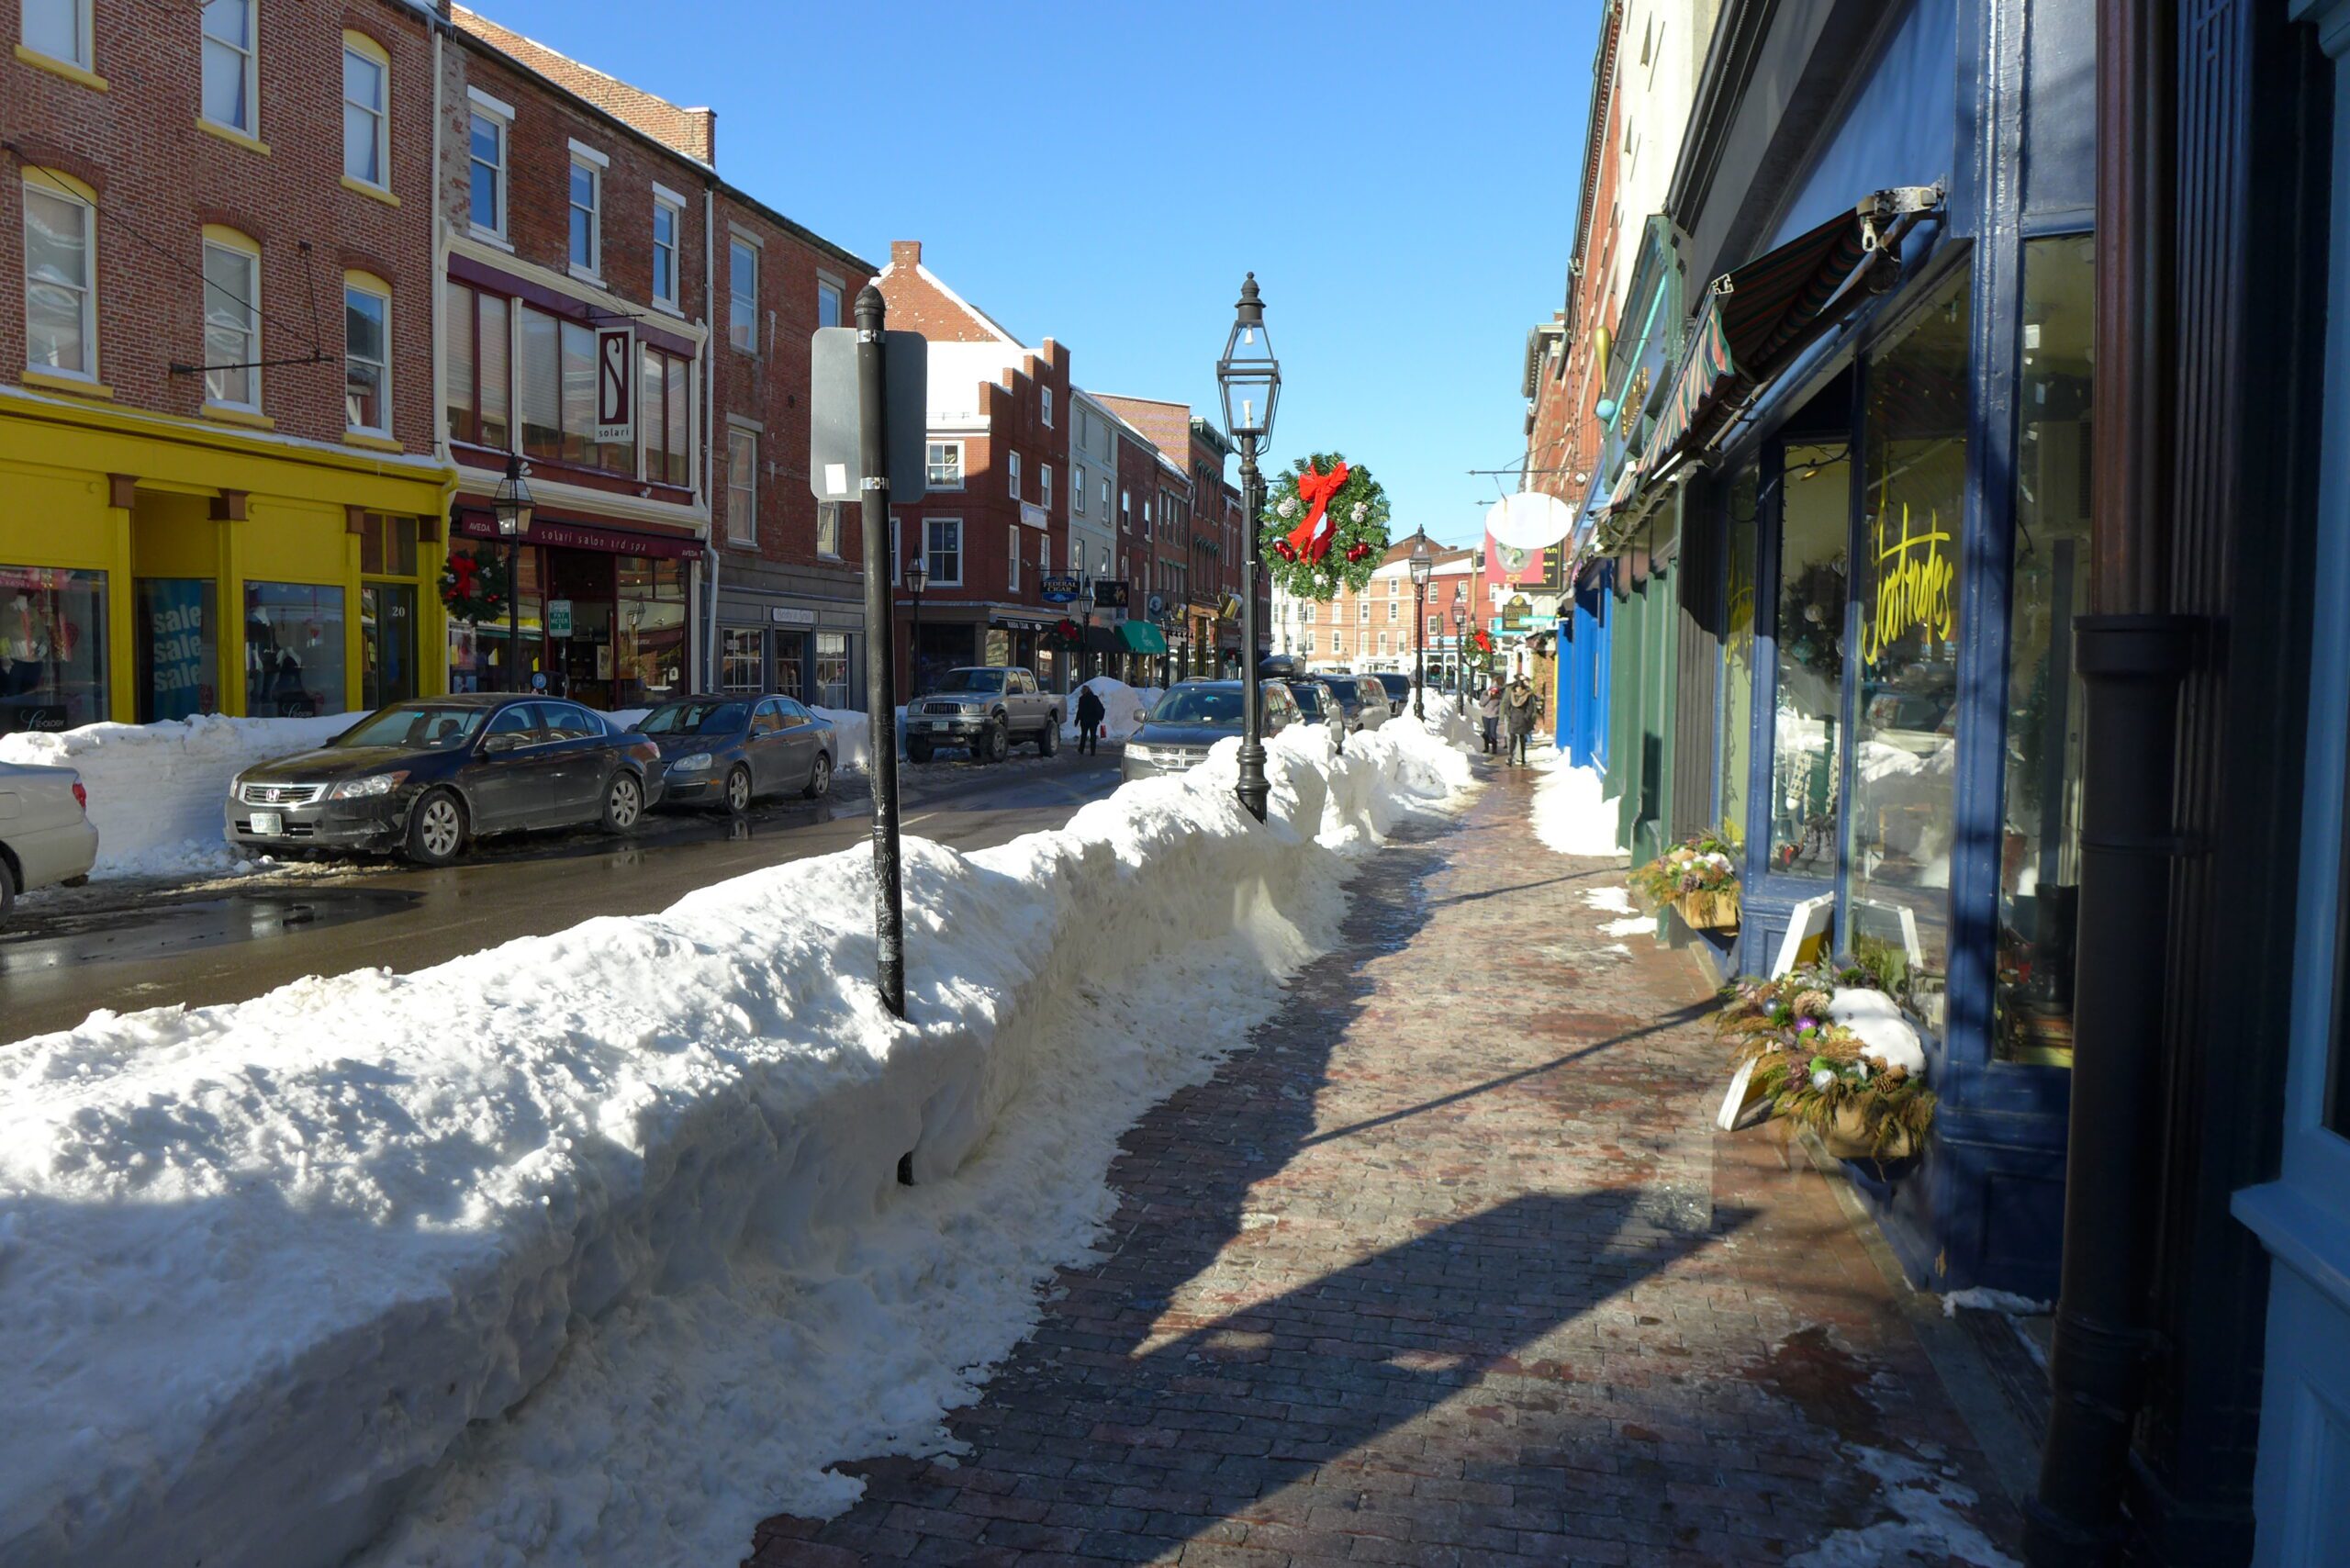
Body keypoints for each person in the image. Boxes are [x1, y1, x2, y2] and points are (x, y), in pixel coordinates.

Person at [1504, 675, 1538, 766]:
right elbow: (1507, 706)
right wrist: (1509, 715)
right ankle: (1510, 756)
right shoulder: (1512, 695)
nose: (1518, 689)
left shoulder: (1527, 695)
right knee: (1512, 739)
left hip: (1522, 719)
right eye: (1517, 687)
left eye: (1520, 687)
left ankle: (1522, 757)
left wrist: (1526, 717)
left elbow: (1530, 708)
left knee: (1522, 739)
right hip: (1513, 719)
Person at [1074, 683, 1106, 756]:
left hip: (1084, 720)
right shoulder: (1095, 698)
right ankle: (1093, 751)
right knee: (1093, 736)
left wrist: (1077, 720)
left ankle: (1081, 750)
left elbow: (1080, 710)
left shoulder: (1082, 699)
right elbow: (1100, 708)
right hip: (1094, 721)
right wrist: (1100, 717)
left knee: (1083, 735)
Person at [1478, 681, 1502, 755]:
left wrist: (1497, 710)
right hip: (1485, 715)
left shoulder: (1499, 696)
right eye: (1493, 690)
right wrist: (1489, 696)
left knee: (1493, 732)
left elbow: (1501, 705)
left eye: (1495, 690)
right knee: (1487, 732)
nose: (1494, 692)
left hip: (1494, 716)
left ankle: (1494, 748)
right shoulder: (1485, 694)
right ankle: (1486, 747)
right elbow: (1482, 704)